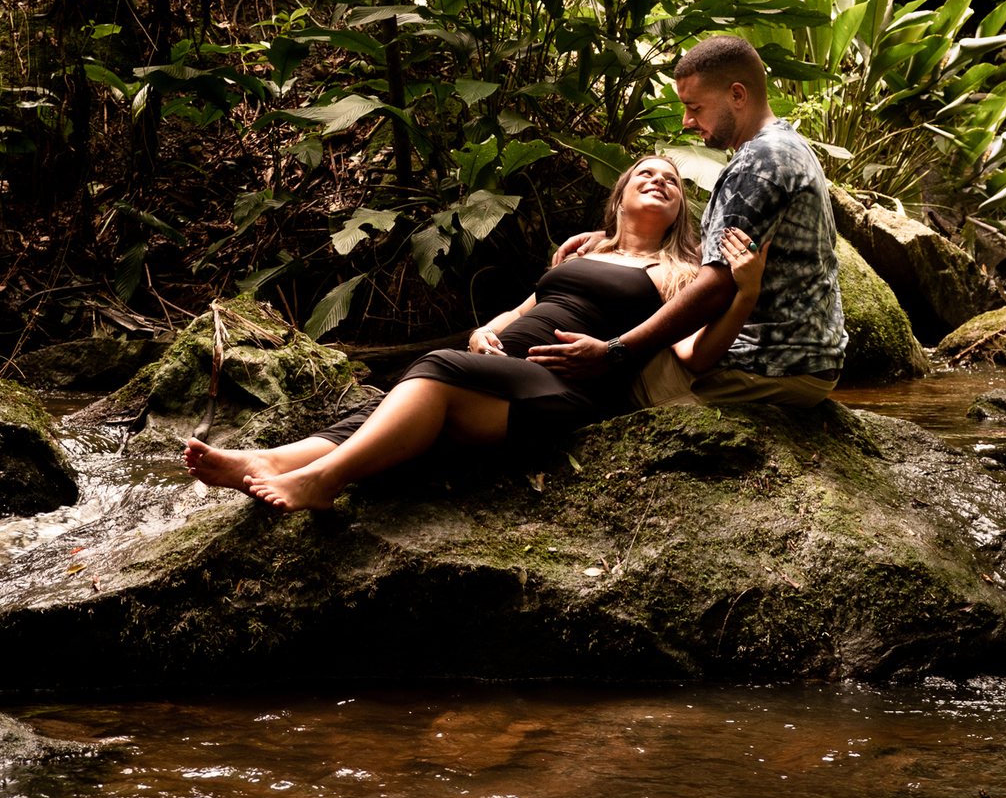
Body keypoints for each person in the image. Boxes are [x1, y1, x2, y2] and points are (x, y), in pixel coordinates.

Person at [182, 154, 769, 512]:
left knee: (434, 371)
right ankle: (269, 461)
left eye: (671, 181)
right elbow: (519, 311)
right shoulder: (580, 255)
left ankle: (322, 480)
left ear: (681, 212)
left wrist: (743, 292)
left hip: (569, 389)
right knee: (395, 402)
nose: (659, 180)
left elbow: (694, 355)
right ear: (618, 198)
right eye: (645, 173)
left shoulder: (680, 273)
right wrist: (482, 332)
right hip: (501, 373)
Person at [534, 34, 846, 409]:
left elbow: (716, 286)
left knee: (591, 394)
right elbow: (719, 248)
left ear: (737, 95)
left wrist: (614, 351)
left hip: (765, 364)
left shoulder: (758, 162)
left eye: (694, 107)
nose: (686, 121)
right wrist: (611, 241)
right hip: (806, 360)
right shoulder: (785, 145)